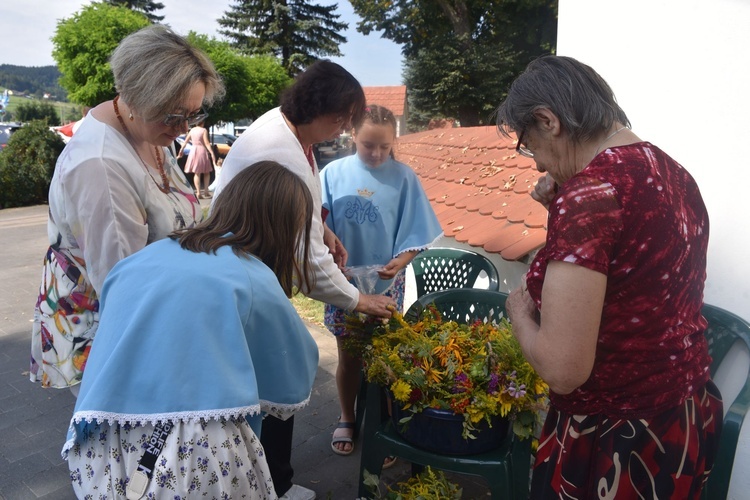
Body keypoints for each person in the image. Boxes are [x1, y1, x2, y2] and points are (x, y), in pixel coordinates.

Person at [497, 55, 722, 498]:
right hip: (683, 421)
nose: (538, 166)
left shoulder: (591, 195)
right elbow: (635, 271)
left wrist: (519, 312)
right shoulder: (675, 174)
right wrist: (559, 209)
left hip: (616, 440)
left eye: (529, 146)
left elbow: (564, 371)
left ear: (548, 121)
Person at [63, 161, 319, 499]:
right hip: (196, 456)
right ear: (284, 228)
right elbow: (292, 377)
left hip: (102, 440)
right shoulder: (251, 276)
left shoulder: (141, 259)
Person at [213, 60, 395, 500]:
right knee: (278, 374)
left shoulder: (287, 130)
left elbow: (298, 211)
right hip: (251, 276)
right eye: (345, 121)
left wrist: (323, 228)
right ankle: (273, 483)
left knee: (265, 378)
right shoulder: (279, 149)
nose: (342, 131)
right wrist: (359, 301)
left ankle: (270, 479)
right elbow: (308, 262)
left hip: (251, 271)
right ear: (330, 115)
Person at [29, 25, 224, 393]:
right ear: (135, 96)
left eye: (192, 115)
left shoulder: (145, 128)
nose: (183, 129)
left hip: (152, 313)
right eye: (174, 116)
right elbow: (126, 289)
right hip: (113, 337)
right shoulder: (101, 166)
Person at [320, 104, 442, 457]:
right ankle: (347, 416)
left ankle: (384, 420)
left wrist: (399, 263)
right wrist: (329, 242)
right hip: (342, 284)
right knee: (349, 355)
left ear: (394, 142)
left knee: (385, 356)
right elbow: (316, 222)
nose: (375, 153)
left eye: (384, 147)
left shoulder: (404, 178)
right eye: (367, 145)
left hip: (388, 283)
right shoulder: (332, 174)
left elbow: (420, 231)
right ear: (352, 137)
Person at [177, 120, 216, 198]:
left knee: (196, 173)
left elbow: (185, 142)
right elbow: (207, 143)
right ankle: (206, 191)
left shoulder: (192, 130)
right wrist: (212, 153)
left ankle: (198, 192)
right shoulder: (203, 130)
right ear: (202, 123)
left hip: (193, 151)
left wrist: (181, 151)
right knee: (206, 172)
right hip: (202, 151)